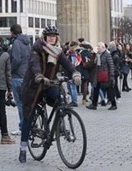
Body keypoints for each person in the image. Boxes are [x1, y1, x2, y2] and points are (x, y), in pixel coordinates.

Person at [17, 25, 80, 163]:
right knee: (29, 116)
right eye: (49, 36)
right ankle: (23, 149)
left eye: (54, 36)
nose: (52, 38)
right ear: (44, 37)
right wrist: (39, 75)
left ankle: (60, 123)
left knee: (60, 97)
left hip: (48, 84)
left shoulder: (58, 51)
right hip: (33, 86)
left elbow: (67, 64)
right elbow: (34, 64)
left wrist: (75, 73)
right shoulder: (37, 49)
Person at [9, 23, 31, 133]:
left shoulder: (17, 42)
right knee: (27, 103)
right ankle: (29, 125)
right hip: (26, 75)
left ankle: (23, 127)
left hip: (17, 76)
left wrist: (10, 71)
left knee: (20, 104)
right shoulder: (28, 42)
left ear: (12, 32)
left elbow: (16, 60)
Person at [88, 42, 116, 110]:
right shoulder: (98, 54)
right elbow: (97, 64)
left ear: (103, 47)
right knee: (96, 89)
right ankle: (94, 104)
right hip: (98, 75)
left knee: (109, 90)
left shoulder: (107, 54)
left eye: (99, 46)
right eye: (97, 46)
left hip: (106, 75)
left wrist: (111, 76)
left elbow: (111, 65)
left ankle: (113, 104)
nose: (98, 48)